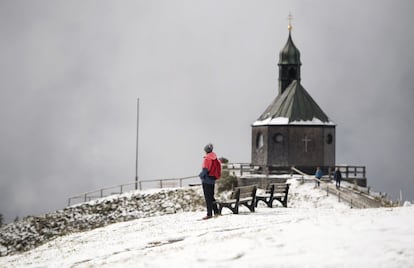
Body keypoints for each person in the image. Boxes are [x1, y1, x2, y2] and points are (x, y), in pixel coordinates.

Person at [199, 143, 220, 220]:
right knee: (211, 196)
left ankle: (209, 214)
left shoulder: (207, 158)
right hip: (212, 180)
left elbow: (205, 169)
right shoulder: (214, 158)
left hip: (207, 180)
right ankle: (216, 211)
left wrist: (201, 176)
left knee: (208, 197)